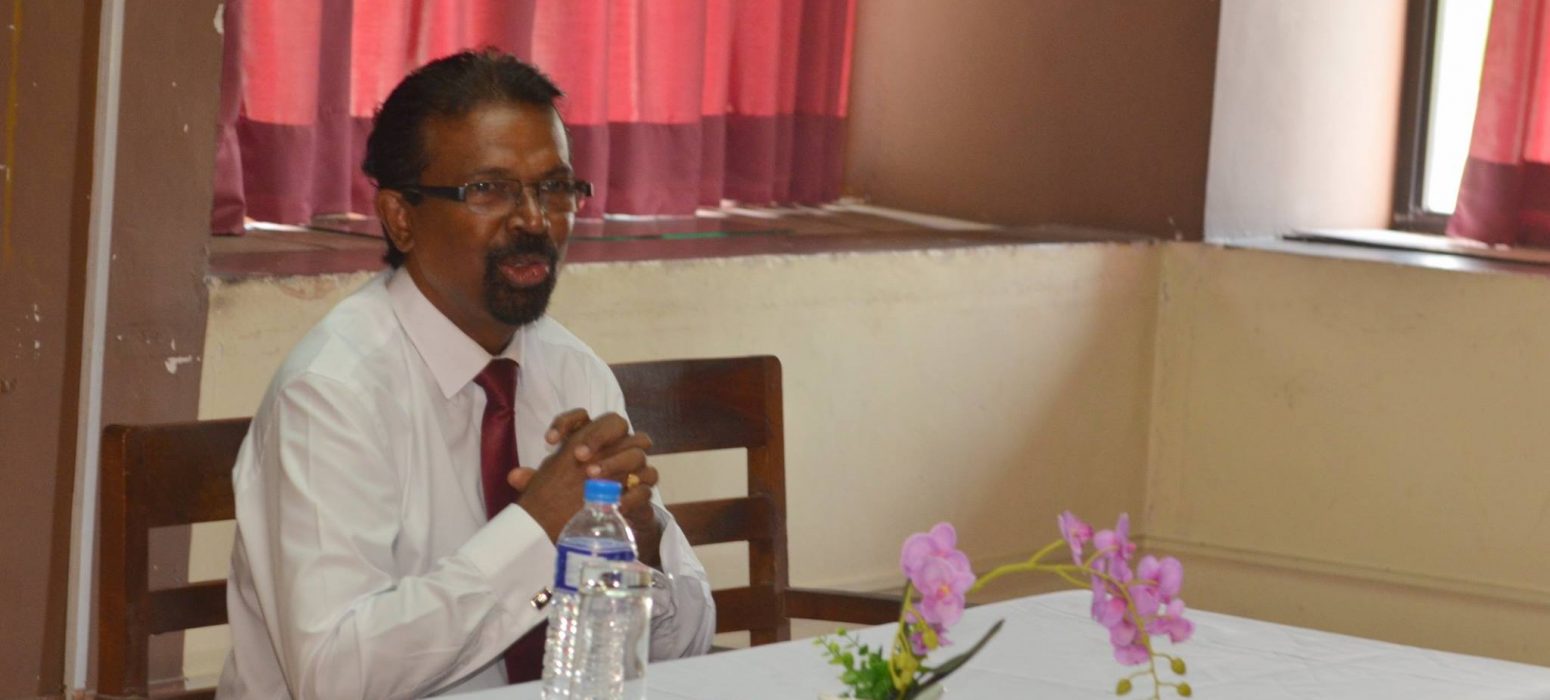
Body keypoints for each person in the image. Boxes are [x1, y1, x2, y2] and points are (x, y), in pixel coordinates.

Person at [216, 50, 715, 699]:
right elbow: (334, 676)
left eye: (554, 187)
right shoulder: (331, 393)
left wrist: (640, 548)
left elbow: (690, 643)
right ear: (401, 217)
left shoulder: (573, 372)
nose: (534, 219)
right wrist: (537, 530)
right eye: (489, 190)